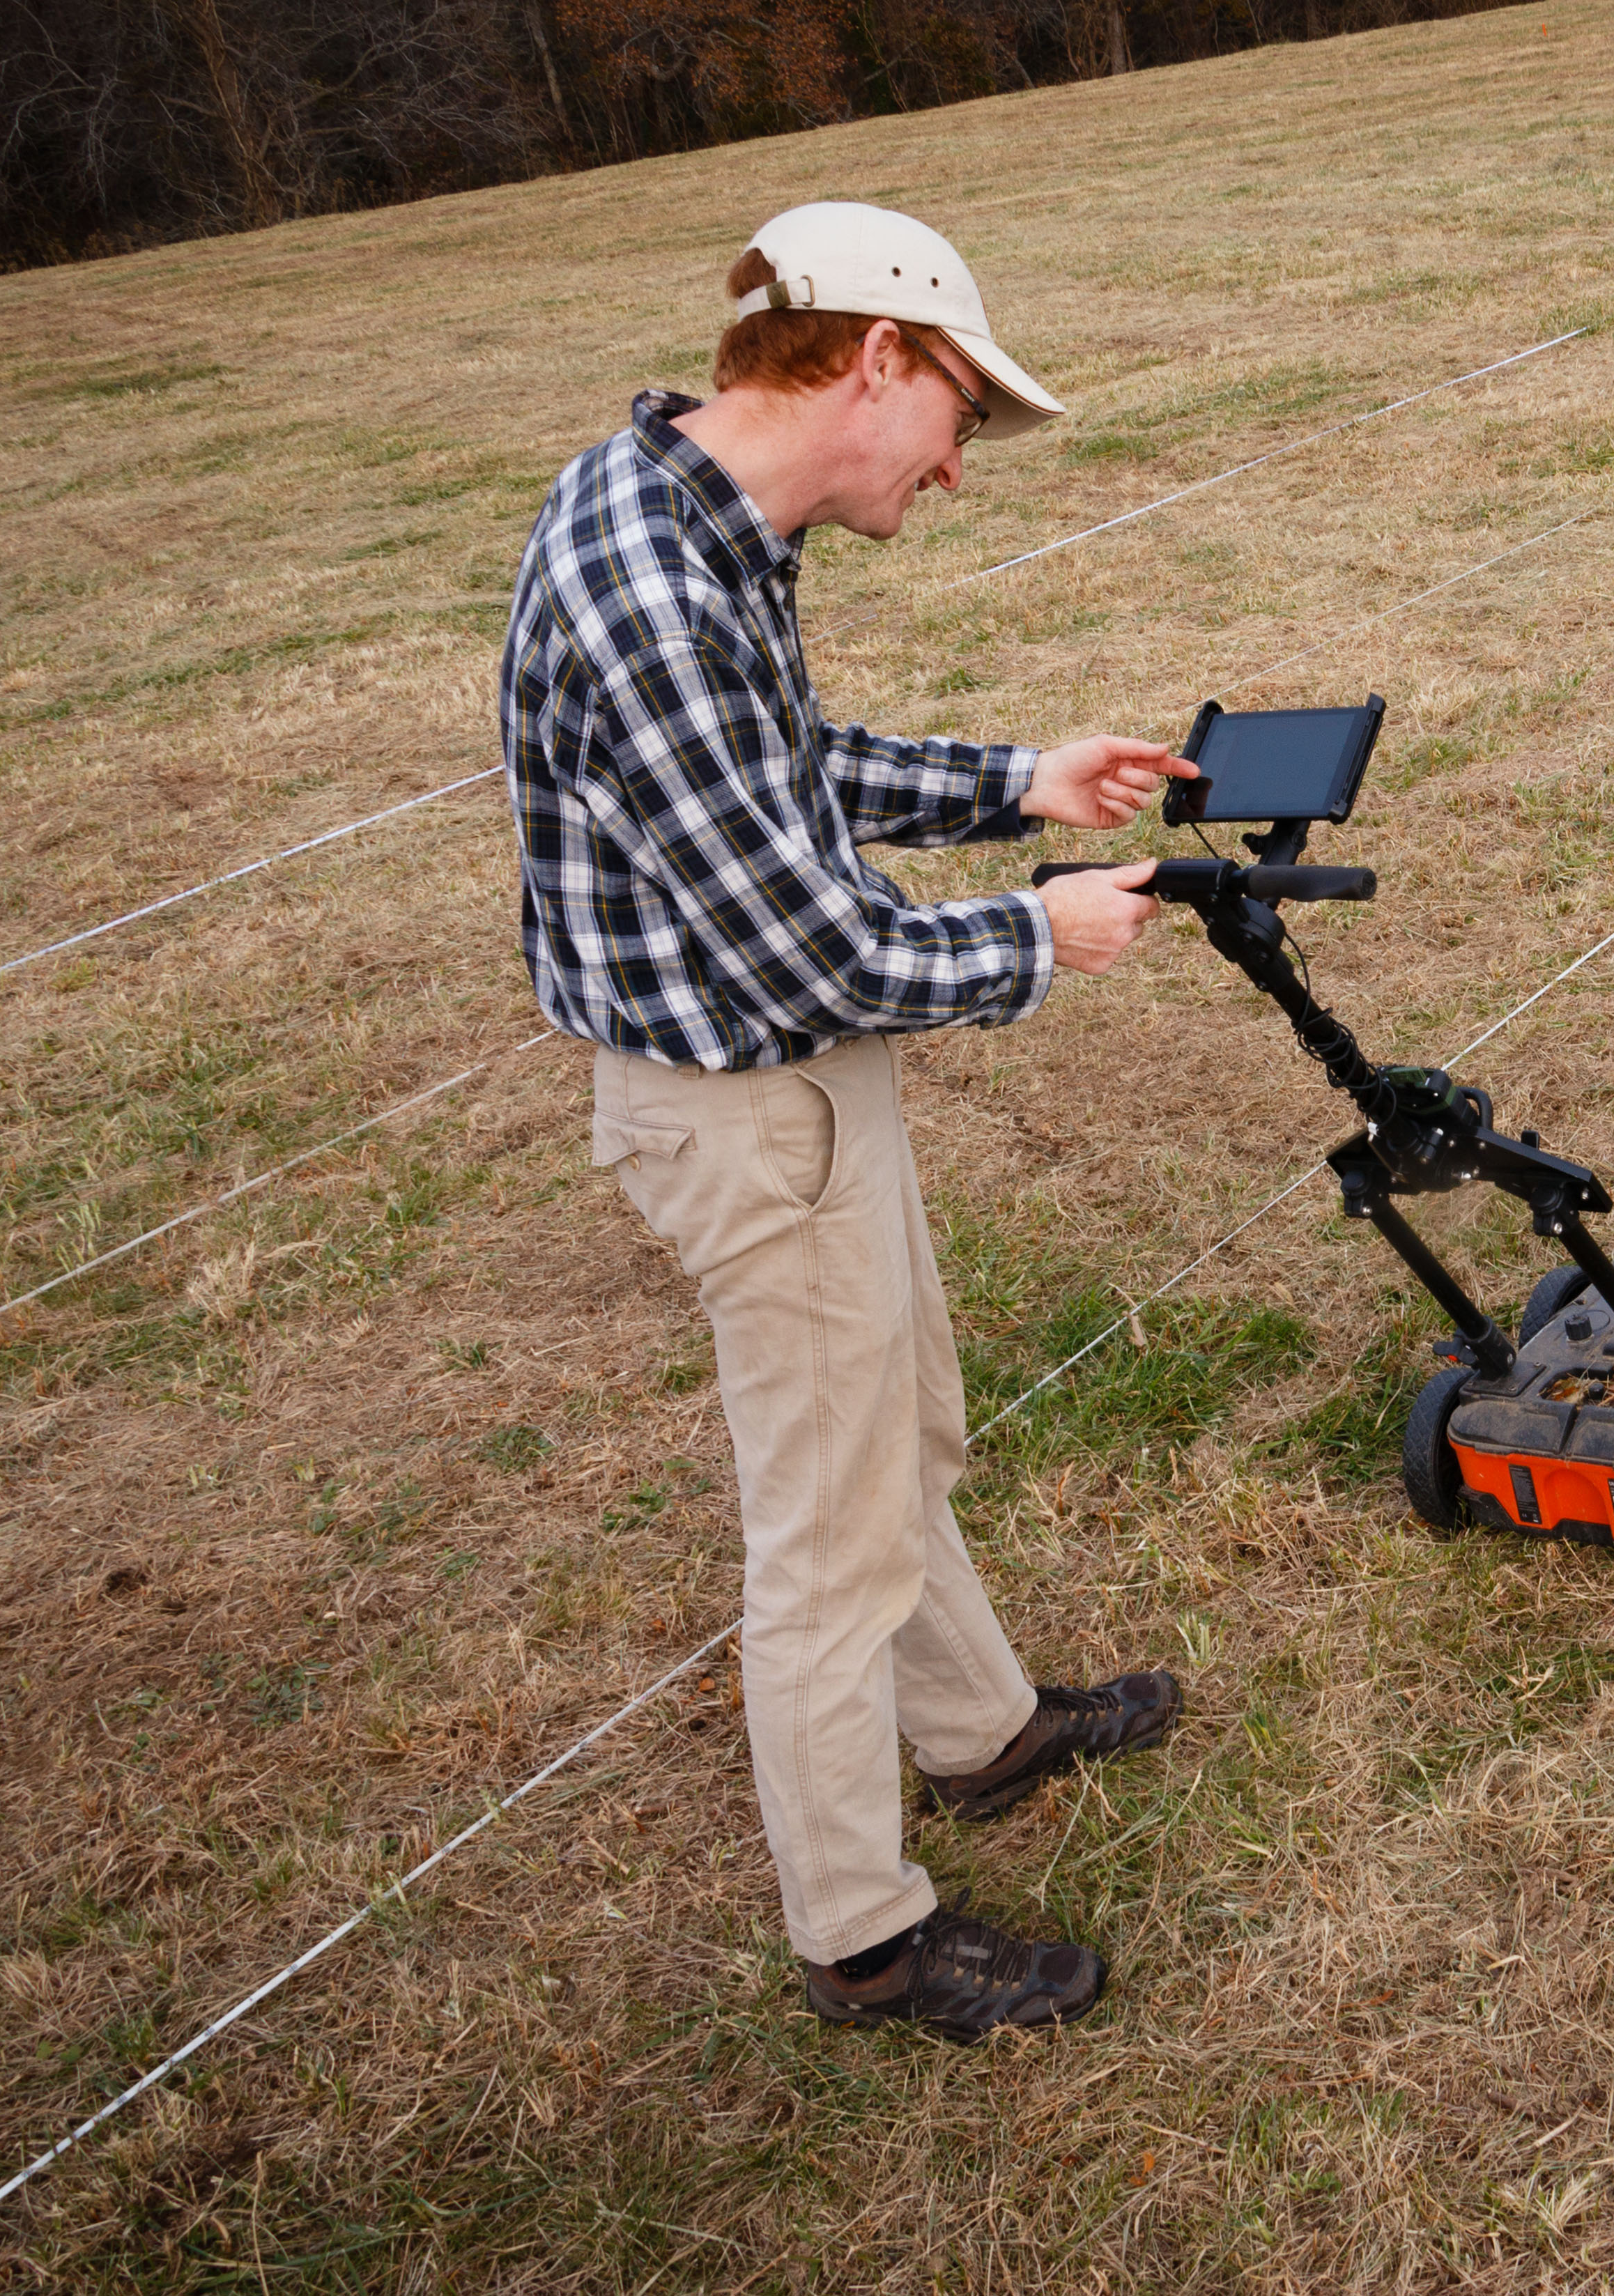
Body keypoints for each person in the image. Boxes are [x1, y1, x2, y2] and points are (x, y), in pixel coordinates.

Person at [499, 201, 1192, 2042]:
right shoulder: (651, 581)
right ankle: (864, 1938)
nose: (961, 468)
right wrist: (1042, 934)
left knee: (905, 1430)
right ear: (875, 360)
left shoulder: (701, 521)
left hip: (797, 1071)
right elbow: (815, 935)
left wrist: (1018, 784)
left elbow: (779, 768)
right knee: (823, 1541)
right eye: (963, 413)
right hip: (745, 1100)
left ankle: (979, 1735)